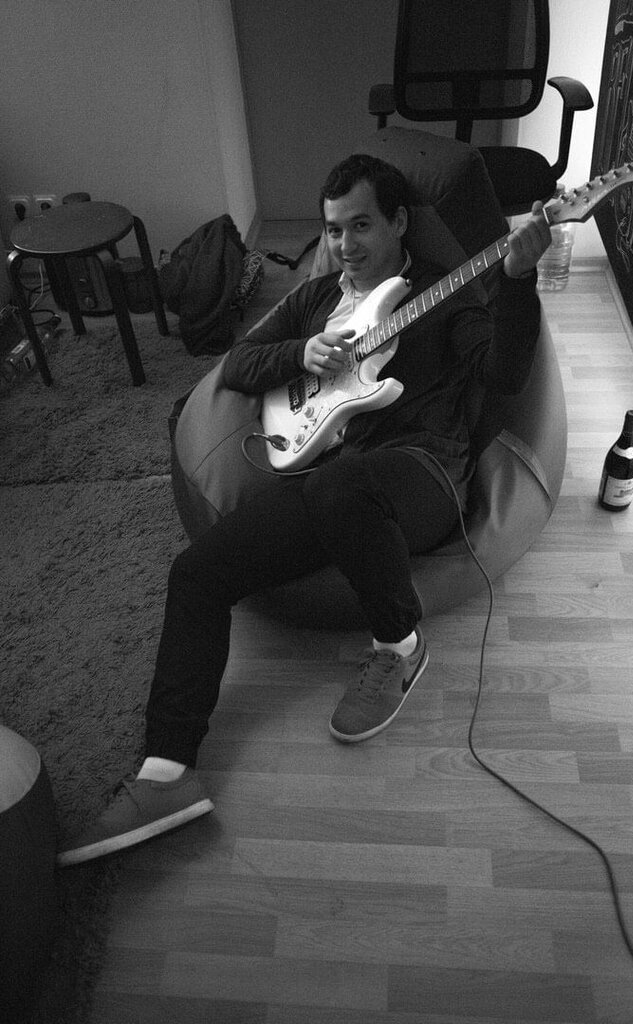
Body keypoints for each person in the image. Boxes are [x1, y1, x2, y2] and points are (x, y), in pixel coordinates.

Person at [59, 154, 551, 866]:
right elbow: (237, 365)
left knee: (339, 486)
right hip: (331, 479)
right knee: (195, 573)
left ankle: (400, 648)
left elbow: (505, 375)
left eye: (361, 226)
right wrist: (302, 354)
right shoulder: (316, 297)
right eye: (334, 230)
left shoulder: (444, 294)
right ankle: (166, 774)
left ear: (398, 223)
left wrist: (518, 279)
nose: (345, 244)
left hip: (420, 473)